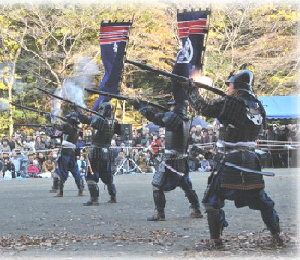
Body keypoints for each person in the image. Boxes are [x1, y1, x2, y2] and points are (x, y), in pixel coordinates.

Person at [185, 70, 283, 247]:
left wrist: (192, 91)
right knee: (261, 200)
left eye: (230, 85)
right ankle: (277, 235)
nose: (228, 88)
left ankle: (216, 241)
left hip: (230, 159)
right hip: (251, 159)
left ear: (236, 87)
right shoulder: (258, 106)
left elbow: (204, 108)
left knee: (211, 201)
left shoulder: (232, 103)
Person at [133, 99, 203, 221]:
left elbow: (156, 119)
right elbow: (160, 118)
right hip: (181, 159)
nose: (170, 109)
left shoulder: (174, 118)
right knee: (187, 186)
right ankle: (196, 209)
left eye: (172, 107)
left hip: (171, 160)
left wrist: (143, 108)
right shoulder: (185, 120)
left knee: (157, 185)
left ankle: (159, 213)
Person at [78, 102, 119, 206]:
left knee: (91, 176)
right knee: (107, 176)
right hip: (107, 151)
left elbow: (86, 120)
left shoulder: (100, 120)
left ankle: (94, 199)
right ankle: (113, 196)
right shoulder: (115, 121)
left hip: (96, 151)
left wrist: (77, 111)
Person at [52, 112, 85, 197]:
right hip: (72, 153)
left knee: (63, 172)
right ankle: (81, 189)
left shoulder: (68, 126)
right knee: (76, 172)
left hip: (66, 153)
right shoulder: (76, 129)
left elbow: (58, 127)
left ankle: (61, 192)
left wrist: (51, 119)